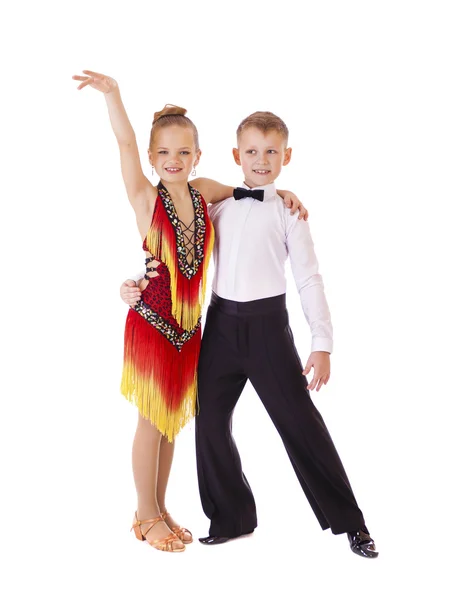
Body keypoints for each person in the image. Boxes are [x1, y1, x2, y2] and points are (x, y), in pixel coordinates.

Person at [123, 110, 378, 559]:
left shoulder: (290, 214)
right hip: (218, 326)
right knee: (209, 422)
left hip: (267, 331)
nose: (261, 161)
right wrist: (137, 281)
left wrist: (321, 343)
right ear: (236, 155)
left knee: (300, 422)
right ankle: (230, 517)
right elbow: (172, 244)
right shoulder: (214, 204)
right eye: (253, 152)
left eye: (272, 153)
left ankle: (352, 523)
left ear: (286, 156)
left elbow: (310, 280)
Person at [73, 70, 306, 554]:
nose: (173, 161)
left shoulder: (203, 191)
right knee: (151, 420)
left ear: (196, 156)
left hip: (191, 330)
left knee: (174, 420)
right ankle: (144, 514)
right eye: (163, 153)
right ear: (153, 158)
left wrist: (283, 194)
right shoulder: (145, 199)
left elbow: (248, 191)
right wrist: (114, 96)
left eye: (183, 152)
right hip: (153, 325)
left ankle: (157, 509)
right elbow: (123, 142)